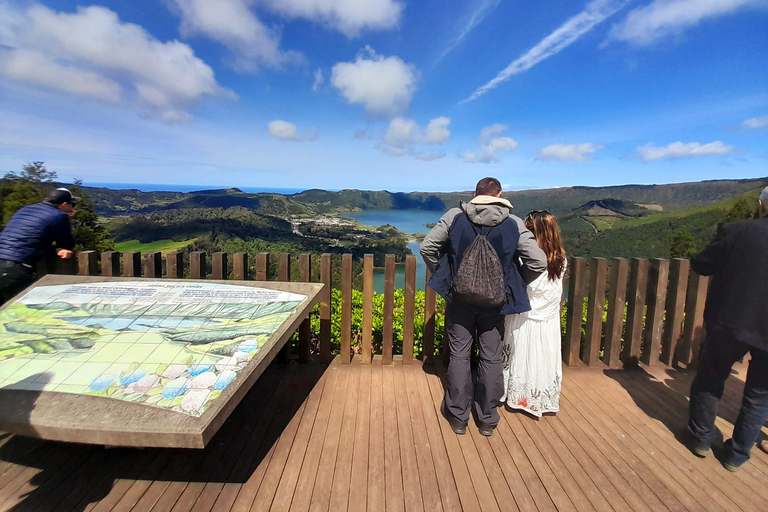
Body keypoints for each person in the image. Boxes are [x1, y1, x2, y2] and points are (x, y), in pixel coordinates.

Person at [420, 177, 547, 436]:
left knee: (459, 355)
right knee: (490, 358)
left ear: (475, 194)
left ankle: (458, 416)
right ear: (499, 194)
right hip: (495, 305)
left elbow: (427, 247)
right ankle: (487, 418)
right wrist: (513, 282)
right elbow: (538, 261)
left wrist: (448, 277)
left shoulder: (456, 215)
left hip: (460, 301)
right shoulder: (513, 222)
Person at [684, 185, 768, 471]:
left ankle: (700, 438)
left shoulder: (739, 232)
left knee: (710, 378)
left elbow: (702, 264)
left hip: (731, 321)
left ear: (761, 205)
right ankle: (737, 455)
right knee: (759, 396)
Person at [501, 210, 566, 417]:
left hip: (524, 317)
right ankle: (539, 396)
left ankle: (516, 394)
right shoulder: (561, 259)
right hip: (548, 319)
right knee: (543, 358)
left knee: (520, 354)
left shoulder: (526, 259)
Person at [0, 187, 78, 304]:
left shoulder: (25, 209)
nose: (72, 208)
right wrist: (66, 217)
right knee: (13, 309)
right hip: (16, 265)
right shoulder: (59, 215)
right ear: (64, 204)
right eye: (72, 205)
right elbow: (67, 243)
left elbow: (24, 237)